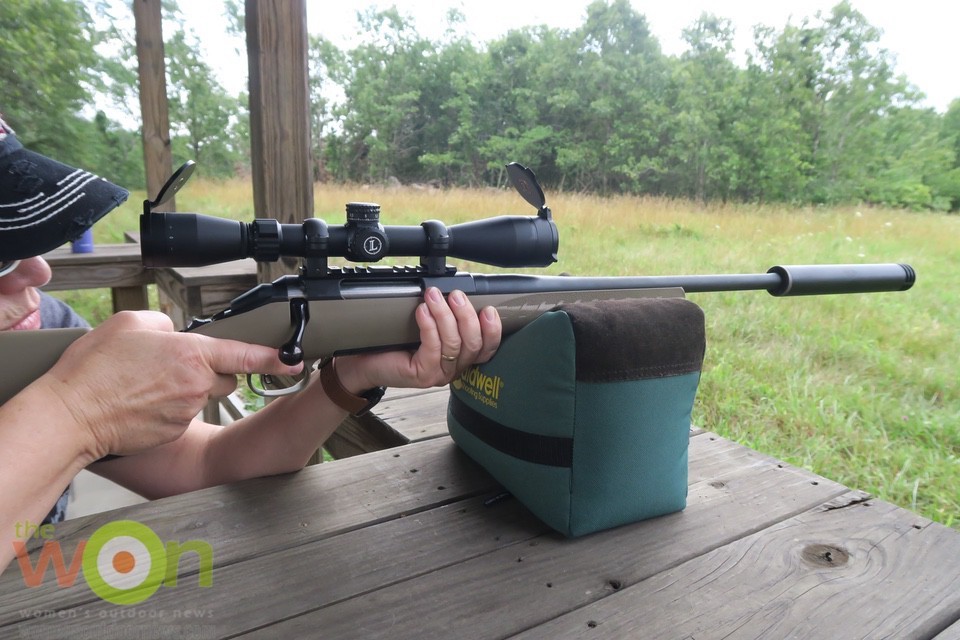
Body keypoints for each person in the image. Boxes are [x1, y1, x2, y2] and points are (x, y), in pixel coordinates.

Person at [0, 116, 501, 573]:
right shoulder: (61, 379)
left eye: (25, 244)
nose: (38, 270)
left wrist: (351, 375)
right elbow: (78, 412)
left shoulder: (44, 329)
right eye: (2, 257)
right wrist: (78, 411)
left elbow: (206, 465)